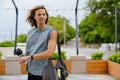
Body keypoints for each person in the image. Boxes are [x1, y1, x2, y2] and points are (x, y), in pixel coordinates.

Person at [19, 5, 57, 80]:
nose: (42, 16)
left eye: (44, 14)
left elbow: (49, 53)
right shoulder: (30, 32)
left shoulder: (52, 32)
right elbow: (30, 51)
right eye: (39, 14)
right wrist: (23, 57)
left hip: (44, 73)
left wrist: (29, 57)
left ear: (46, 16)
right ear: (34, 17)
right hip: (31, 71)